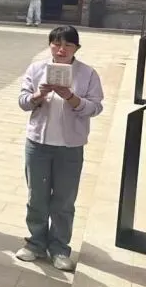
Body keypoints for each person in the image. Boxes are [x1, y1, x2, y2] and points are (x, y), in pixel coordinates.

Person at [16, 25, 103, 271]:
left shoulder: (87, 73)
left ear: (77, 48)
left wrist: (71, 97)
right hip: (38, 144)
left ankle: (60, 248)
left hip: (70, 147)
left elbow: (96, 107)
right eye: (56, 44)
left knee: (64, 200)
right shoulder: (36, 69)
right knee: (37, 197)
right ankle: (35, 243)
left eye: (67, 45)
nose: (61, 49)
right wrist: (38, 95)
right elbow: (23, 101)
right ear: (50, 45)